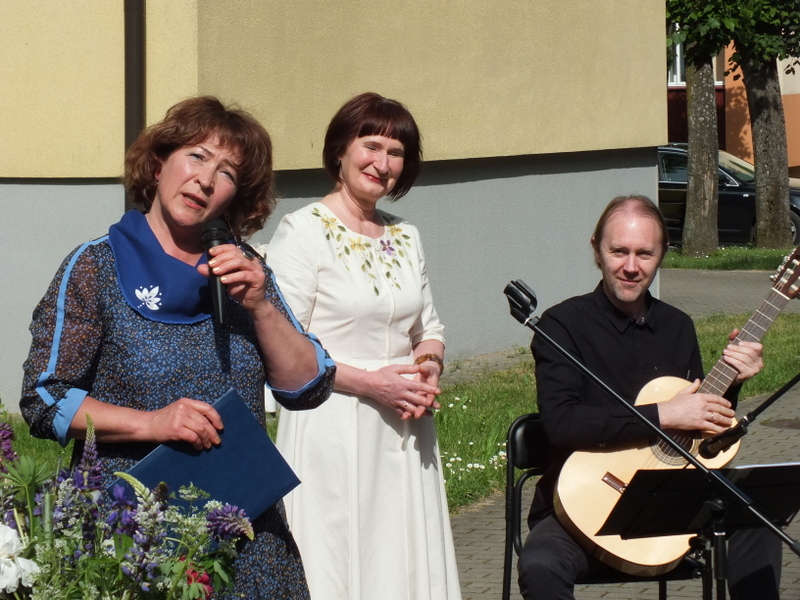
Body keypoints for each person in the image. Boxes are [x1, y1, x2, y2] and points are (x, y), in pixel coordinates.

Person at [20, 96, 335, 599]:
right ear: (158, 163)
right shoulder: (95, 267)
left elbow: (309, 387)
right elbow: (45, 398)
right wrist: (151, 423)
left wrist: (260, 306)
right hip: (137, 541)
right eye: (196, 156)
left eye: (227, 172)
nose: (206, 179)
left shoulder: (245, 269)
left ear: (235, 196)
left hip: (247, 537)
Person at [517, 195, 783, 600]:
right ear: (596, 249)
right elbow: (562, 424)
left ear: (663, 254)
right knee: (540, 565)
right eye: (618, 251)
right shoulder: (560, 326)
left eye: (644, 253)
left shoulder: (678, 326)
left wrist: (732, 383)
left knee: (758, 521)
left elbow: (701, 434)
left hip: (670, 505)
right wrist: (663, 413)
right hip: (582, 506)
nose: (630, 266)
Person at [267, 92, 461, 600]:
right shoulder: (303, 230)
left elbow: (429, 327)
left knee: (401, 559)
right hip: (331, 422)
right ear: (340, 150)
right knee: (339, 558)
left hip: (405, 427)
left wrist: (428, 366)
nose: (383, 162)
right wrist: (372, 384)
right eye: (371, 145)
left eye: (396, 152)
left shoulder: (407, 235)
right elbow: (285, 345)